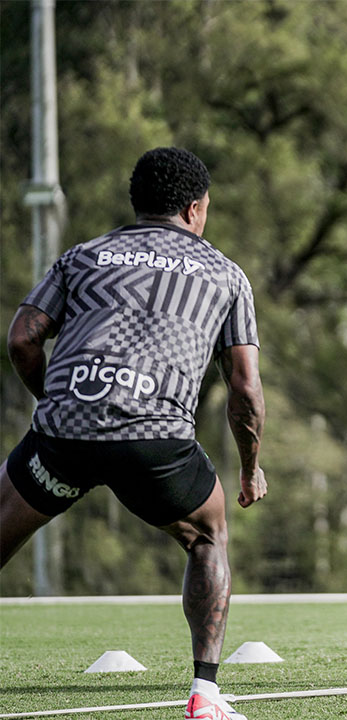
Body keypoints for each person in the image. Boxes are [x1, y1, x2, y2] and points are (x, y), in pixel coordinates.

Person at [0, 147, 267, 720]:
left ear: (137, 202)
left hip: (64, 431)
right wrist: (249, 468)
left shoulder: (82, 254)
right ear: (196, 209)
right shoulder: (224, 273)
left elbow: (22, 337)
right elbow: (244, 388)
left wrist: (57, 401)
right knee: (207, 538)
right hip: (156, 441)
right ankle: (204, 693)